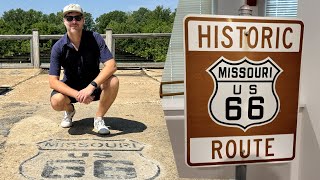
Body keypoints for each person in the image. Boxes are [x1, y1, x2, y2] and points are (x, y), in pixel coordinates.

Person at [49, 4, 119, 135]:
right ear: (64, 21)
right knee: (56, 101)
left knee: (113, 81)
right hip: (71, 87)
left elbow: (111, 65)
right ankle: (69, 111)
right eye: (69, 18)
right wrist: (78, 95)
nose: (74, 21)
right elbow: (53, 81)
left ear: (83, 20)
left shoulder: (95, 38)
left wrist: (91, 87)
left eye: (77, 17)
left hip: (93, 85)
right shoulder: (58, 47)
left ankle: (98, 118)